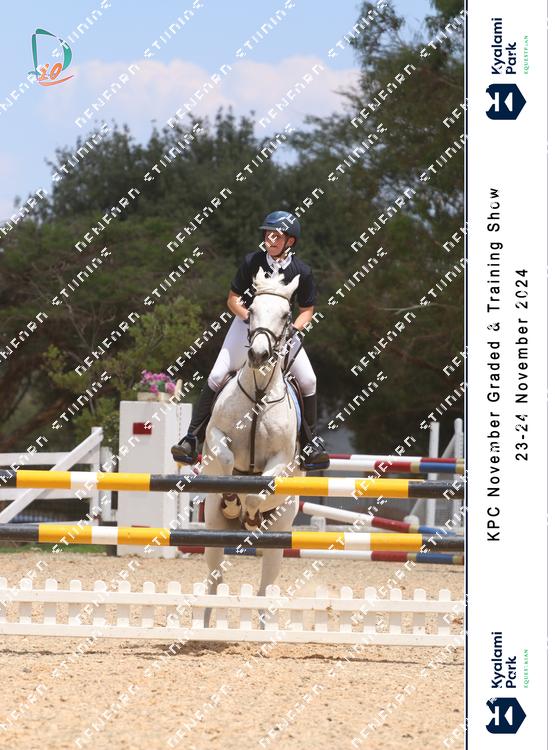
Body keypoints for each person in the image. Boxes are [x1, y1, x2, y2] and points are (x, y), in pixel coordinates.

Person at [171, 210, 329, 470]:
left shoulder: (302, 270)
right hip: (247, 325)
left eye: (276, 236)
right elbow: (232, 299)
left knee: (309, 380)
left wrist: (293, 330)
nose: (270, 239)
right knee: (217, 375)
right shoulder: (252, 261)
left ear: (290, 241)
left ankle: (310, 445)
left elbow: (307, 311)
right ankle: (191, 439)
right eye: (268, 234)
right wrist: (250, 318)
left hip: (281, 331)